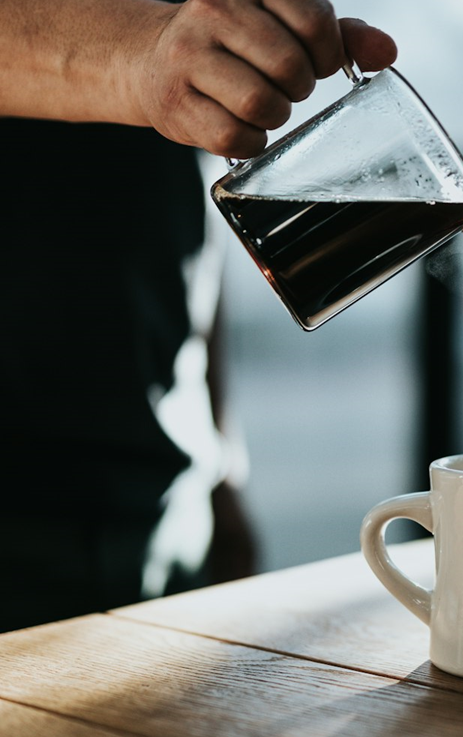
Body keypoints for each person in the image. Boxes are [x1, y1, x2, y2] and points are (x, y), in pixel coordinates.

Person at [0, 0, 397, 632]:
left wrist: (222, 462)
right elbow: (165, 62)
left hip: (168, 491)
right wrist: (135, 54)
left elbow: (184, 213)